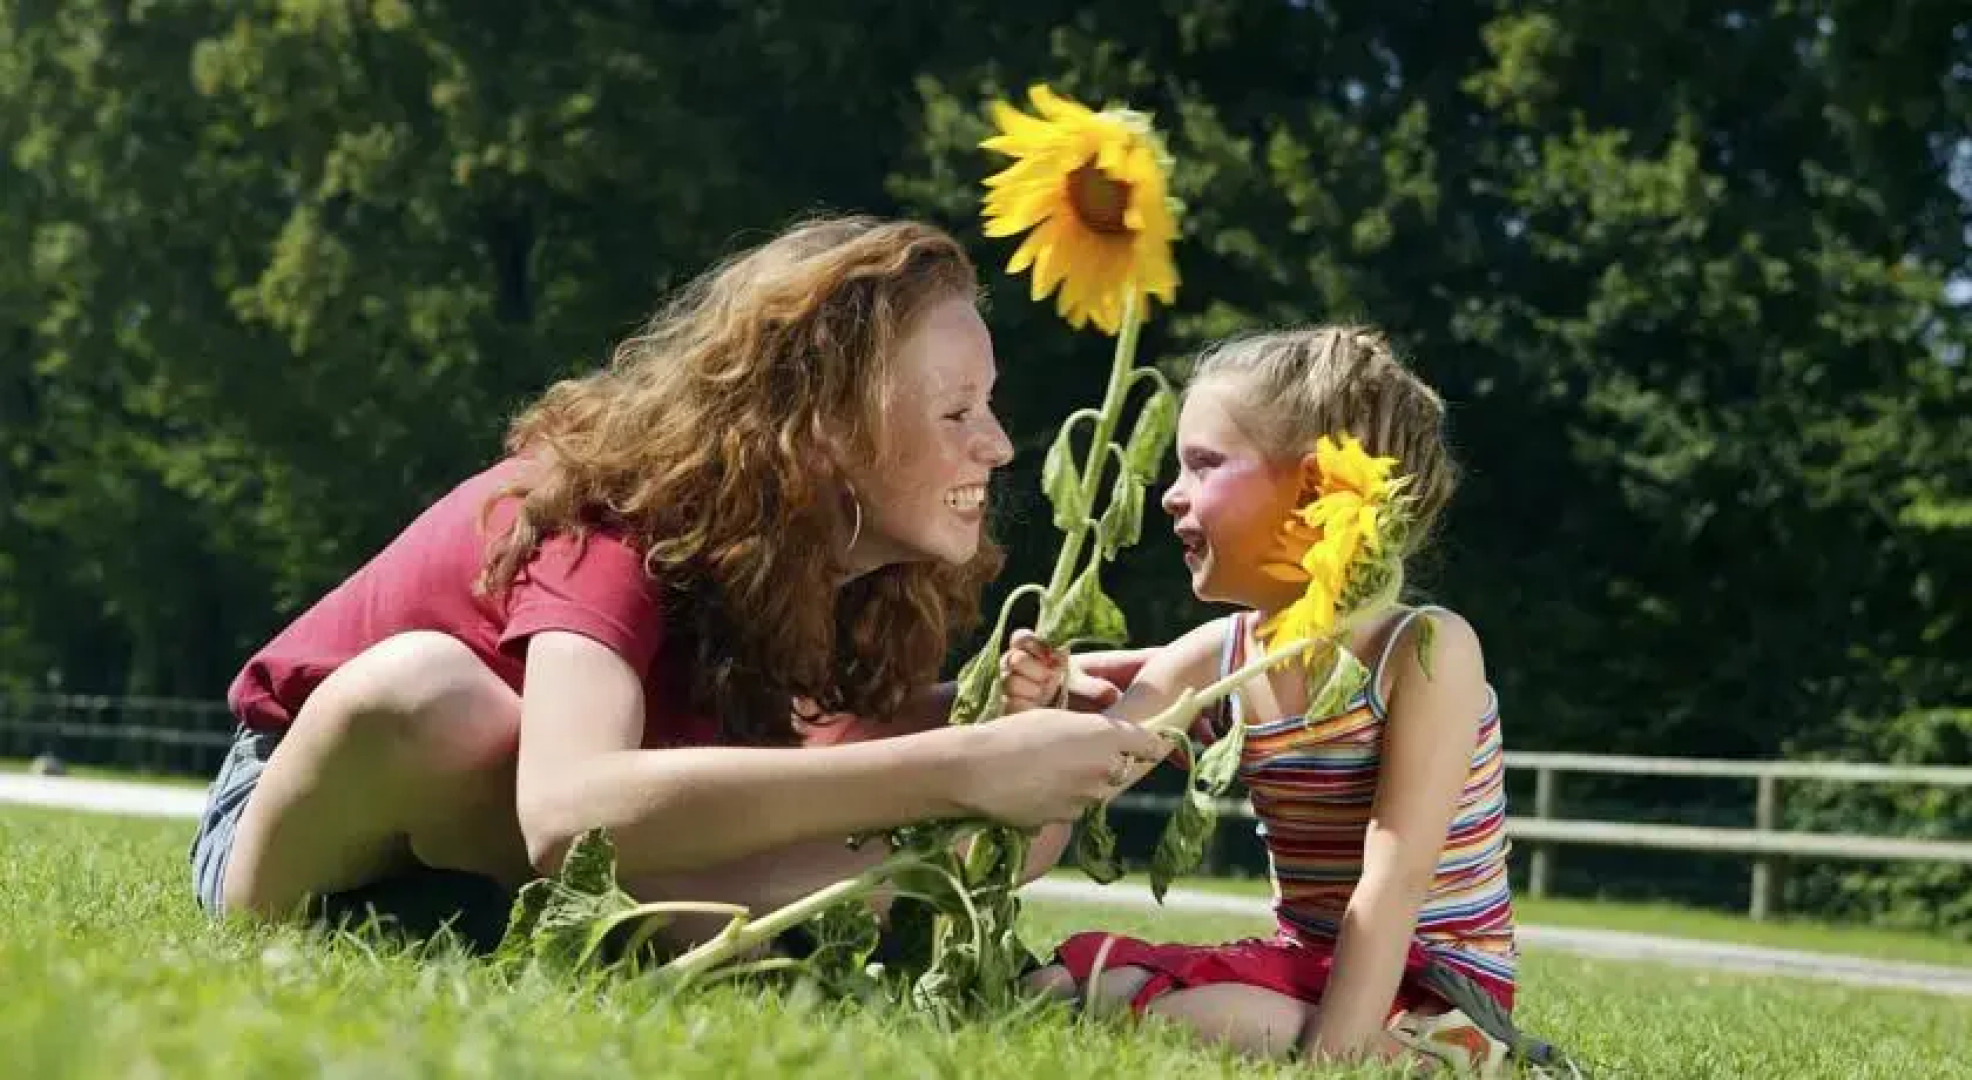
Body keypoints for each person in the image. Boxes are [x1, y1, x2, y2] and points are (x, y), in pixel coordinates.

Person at [188, 215, 1166, 953]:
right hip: (305, 835)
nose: (995, 446)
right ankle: (777, 920)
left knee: (933, 823)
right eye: (956, 412)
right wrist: (959, 770)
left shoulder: (836, 566)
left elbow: (803, 752)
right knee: (428, 697)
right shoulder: (618, 509)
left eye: (988, 408)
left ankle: (777, 920)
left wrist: (988, 719)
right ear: (821, 422)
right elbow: (569, 812)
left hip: (491, 880)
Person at [999, 327, 1523, 1072]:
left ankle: (1443, 1057)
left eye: (1202, 465)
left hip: (1433, 986)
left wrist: (1330, 1061)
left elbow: (1395, 876)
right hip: (1302, 964)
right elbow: (1050, 827)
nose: (1170, 494)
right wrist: (1037, 719)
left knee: (1168, 1015)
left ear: (1315, 486)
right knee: (1059, 986)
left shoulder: (1426, 649)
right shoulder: (1213, 659)